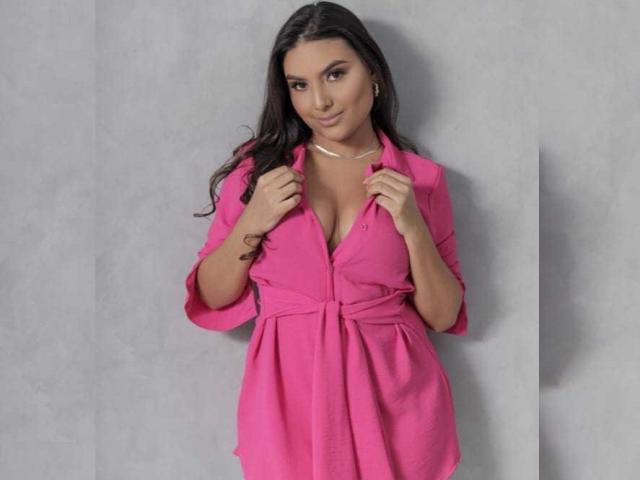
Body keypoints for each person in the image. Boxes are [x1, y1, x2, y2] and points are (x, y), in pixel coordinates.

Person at [184, 2, 468, 479]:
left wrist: (413, 227)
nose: (320, 101)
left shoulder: (421, 180)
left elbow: (443, 314)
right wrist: (254, 218)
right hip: (288, 402)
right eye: (299, 84)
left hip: (396, 409)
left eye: (335, 75)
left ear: (372, 73)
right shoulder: (259, 174)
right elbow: (213, 294)